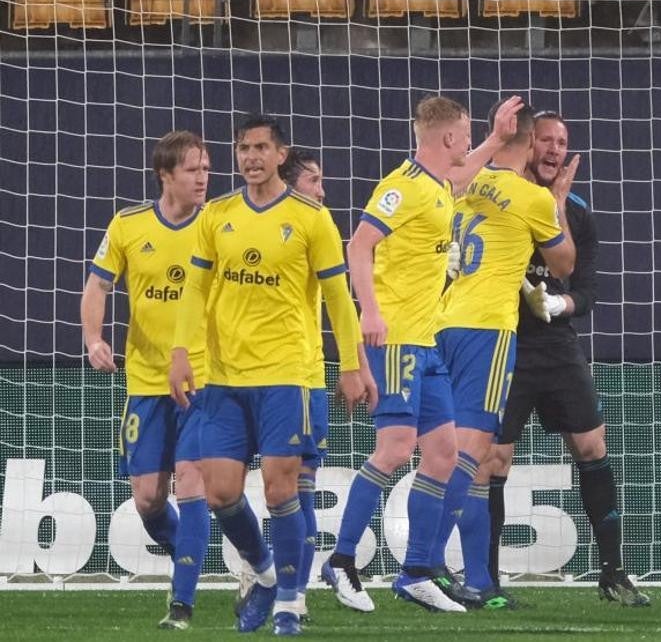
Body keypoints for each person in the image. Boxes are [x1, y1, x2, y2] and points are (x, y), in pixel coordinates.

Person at [168, 114, 376, 636]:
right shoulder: (217, 215)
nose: (250, 157)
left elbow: (336, 297)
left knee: (283, 489)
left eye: (261, 147)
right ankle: (263, 573)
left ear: (281, 154)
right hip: (224, 377)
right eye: (243, 148)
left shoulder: (311, 218)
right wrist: (180, 352)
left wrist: (352, 365)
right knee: (219, 492)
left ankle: (288, 601)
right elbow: (194, 289)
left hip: (286, 373)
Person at [321, 95, 520, 614]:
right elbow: (357, 246)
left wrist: (497, 139)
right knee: (394, 448)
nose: (470, 142)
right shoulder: (401, 187)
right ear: (449, 138)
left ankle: (414, 573)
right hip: (397, 341)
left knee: (444, 454)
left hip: (427, 343)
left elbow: (459, 178)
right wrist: (369, 312)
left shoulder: (437, 186)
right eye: (468, 133)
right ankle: (341, 562)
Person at [484, 111, 649, 606]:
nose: (555, 150)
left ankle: (613, 572)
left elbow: (587, 288)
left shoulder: (576, 210)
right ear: (528, 145)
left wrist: (561, 303)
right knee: (495, 459)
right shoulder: (498, 197)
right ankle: (488, 580)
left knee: (593, 447)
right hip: (505, 339)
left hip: (555, 344)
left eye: (563, 142)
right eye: (546, 141)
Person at [428, 99, 576, 609]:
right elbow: (564, 263)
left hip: (442, 321)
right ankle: (421, 564)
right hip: (487, 331)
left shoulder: (467, 181)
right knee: (471, 457)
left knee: (465, 459)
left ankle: (479, 581)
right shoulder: (529, 197)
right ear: (532, 143)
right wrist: (556, 199)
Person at [81, 130, 213, 630]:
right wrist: (94, 338)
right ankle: (227, 560)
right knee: (147, 499)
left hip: (204, 379)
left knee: (192, 480)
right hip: (145, 380)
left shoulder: (217, 225)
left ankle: (181, 604)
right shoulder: (129, 225)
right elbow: (97, 284)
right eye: (192, 169)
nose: (203, 178)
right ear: (166, 175)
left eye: (206, 168)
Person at [275, 148, 330, 622]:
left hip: (302, 376)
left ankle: (296, 590)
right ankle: (266, 572)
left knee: (299, 486)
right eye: (314, 180)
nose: (322, 190)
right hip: (240, 379)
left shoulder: (314, 225)